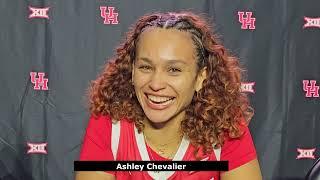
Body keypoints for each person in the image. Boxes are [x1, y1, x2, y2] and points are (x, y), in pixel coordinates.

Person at [75, 11, 262, 180]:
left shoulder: (225, 124)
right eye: (146, 67)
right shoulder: (109, 122)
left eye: (174, 69)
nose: (156, 84)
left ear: (200, 78)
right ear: (131, 72)